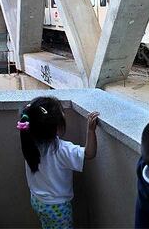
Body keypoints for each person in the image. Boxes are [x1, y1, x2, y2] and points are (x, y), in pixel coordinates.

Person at [17, 96, 99, 229]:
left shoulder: (29, 142)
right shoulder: (62, 149)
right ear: (56, 127)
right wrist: (90, 130)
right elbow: (89, 154)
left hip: (37, 200)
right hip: (57, 207)